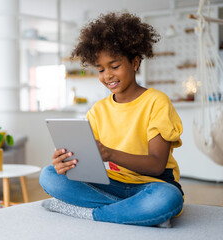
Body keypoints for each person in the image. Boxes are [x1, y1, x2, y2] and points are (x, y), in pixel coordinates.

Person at [39, 12, 184, 228]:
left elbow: (156, 165)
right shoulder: (98, 110)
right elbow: (88, 160)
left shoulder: (157, 102)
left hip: (152, 185)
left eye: (114, 66)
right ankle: (137, 212)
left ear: (135, 62)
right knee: (49, 175)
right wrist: (66, 163)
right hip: (113, 183)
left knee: (167, 199)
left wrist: (110, 153)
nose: (107, 76)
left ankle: (92, 214)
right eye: (100, 69)